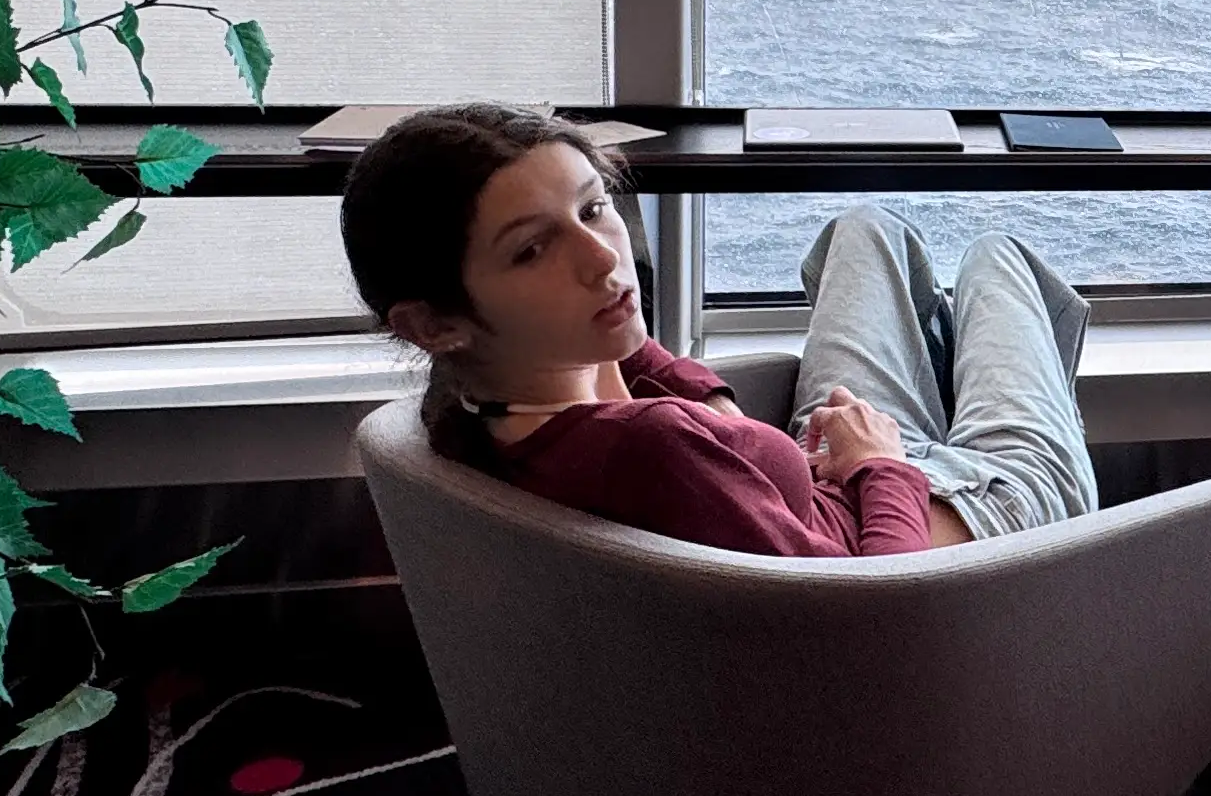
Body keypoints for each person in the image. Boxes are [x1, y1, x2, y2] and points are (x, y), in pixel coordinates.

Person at [339, 102, 1097, 557]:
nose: (606, 259)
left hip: (828, 474)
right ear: (435, 322)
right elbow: (876, 605)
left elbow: (641, 355)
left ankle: (949, 400)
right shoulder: (655, 452)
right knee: (1001, 261)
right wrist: (878, 465)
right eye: (534, 248)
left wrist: (728, 417)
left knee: (866, 230)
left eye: (593, 207)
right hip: (923, 535)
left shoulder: (501, 391)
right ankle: (1065, 571)